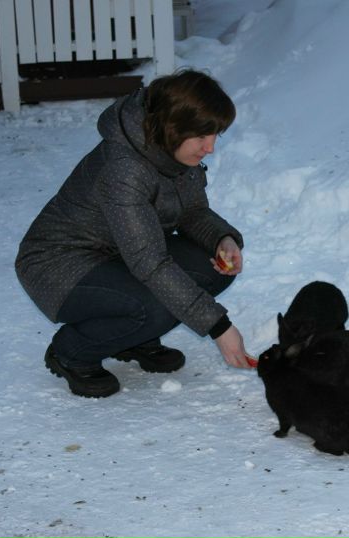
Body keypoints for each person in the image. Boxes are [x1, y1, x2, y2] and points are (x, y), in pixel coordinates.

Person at [15, 69, 255, 398]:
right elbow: (150, 263)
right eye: (202, 136)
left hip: (118, 252)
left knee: (206, 264)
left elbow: (192, 211)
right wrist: (220, 327)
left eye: (215, 135)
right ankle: (71, 351)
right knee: (154, 305)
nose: (210, 147)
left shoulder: (171, 150)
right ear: (174, 127)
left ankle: (134, 338)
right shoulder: (125, 167)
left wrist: (222, 240)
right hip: (60, 264)